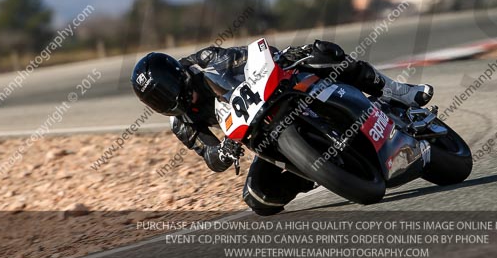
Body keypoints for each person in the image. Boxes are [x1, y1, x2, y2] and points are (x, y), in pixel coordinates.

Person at [131, 40, 433, 215]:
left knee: (322, 54)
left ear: (177, 77)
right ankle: (316, 171)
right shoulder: (181, 125)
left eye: (165, 91)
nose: (167, 101)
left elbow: (246, 57)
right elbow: (210, 156)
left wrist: (281, 57)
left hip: (277, 92)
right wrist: (223, 152)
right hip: (257, 133)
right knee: (259, 199)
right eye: (157, 101)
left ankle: (394, 90)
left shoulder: (202, 62)